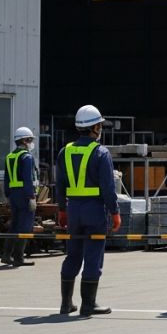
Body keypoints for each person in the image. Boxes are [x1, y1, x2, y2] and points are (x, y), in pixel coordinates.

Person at [56, 104, 120, 316]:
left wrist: (62, 209)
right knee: (93, 255)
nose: (101, 128)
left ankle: (66, 303)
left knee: (72, 254)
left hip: (73, 209)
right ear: (94, 128)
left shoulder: (64, 152)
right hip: (94, 210)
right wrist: (115, 212)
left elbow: (60, 184)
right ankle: (88, 304)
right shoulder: (101, 153)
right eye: (100, 125)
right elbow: (108, 188)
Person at [2, 127, 38, 267]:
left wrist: (7, 194)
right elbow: (28, 179)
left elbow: (6, 178)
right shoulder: (26, 157)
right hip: (24, 194)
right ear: (24, 140)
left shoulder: (10, 157)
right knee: (24, 226)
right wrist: (31, 197)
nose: (31, 143)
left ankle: (6, 254)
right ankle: (18, 258)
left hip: (13, 195)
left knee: (15, 225)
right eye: (30, 140)